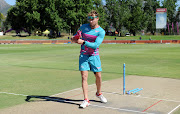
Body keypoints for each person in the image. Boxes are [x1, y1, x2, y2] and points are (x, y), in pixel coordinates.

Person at [71, 10, 107, 108]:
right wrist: (73, 39)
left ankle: (99, 93)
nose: (90, 21)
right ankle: (86, 99)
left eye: (92, 19)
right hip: (84, 55)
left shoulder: (101, 31)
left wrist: (83, 42)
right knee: (84, 77)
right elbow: (75, 37)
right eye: (89, 19)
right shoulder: (83, 27)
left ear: (97, 19)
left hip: (94, 55)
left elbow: (95, 45)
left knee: (98, 76)